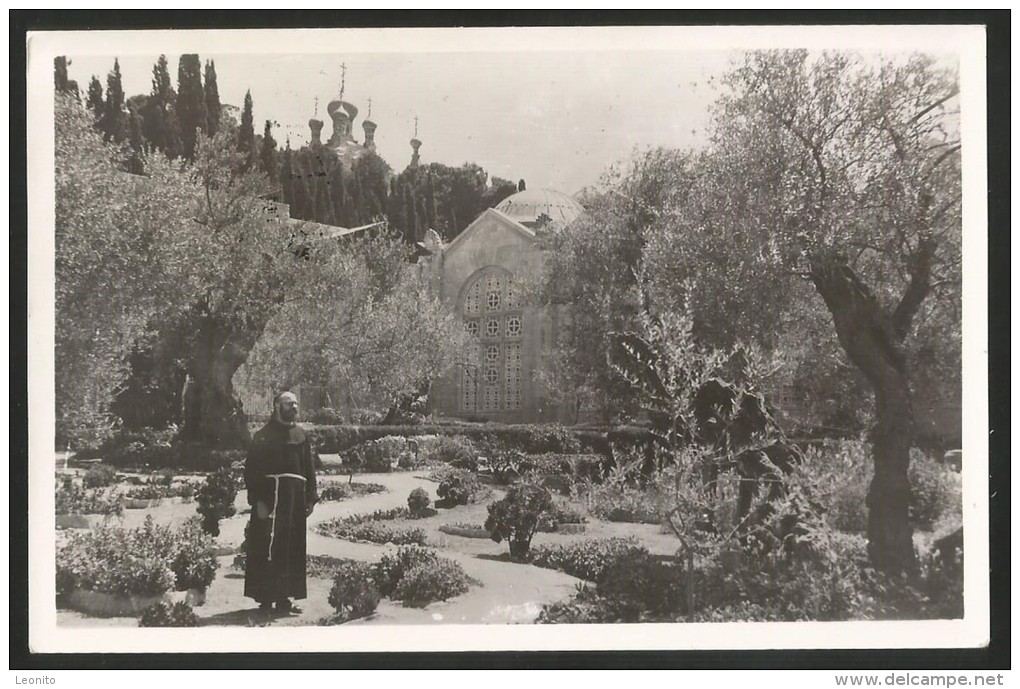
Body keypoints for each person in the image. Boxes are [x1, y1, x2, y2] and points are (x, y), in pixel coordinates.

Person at [243, 391, 318, 614]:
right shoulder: (262, 436)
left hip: (294, 503)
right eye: (289, 404)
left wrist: (311, 498)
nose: (294, 407)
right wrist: (258, 501)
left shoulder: (302, 435)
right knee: (266, 546)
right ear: (277, 407)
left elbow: (309, 469)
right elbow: (251, 472)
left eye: (296, 403)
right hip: (269, 500)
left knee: (290, 549)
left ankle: (284, 599)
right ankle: (265, 599)